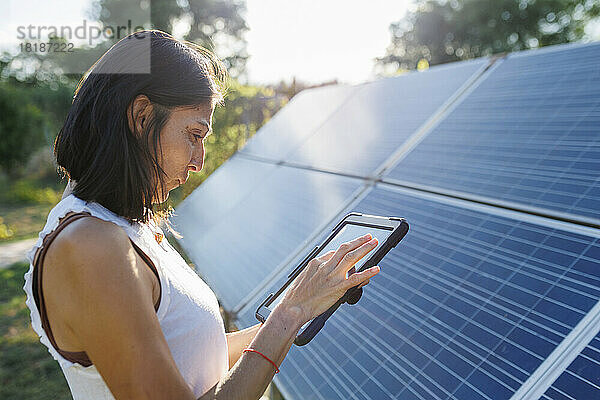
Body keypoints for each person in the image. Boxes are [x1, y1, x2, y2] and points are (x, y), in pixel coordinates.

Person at [23, 30, 381, 400]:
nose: (200, 161)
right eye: (194, 134)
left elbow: (193, 357)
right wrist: (288, 314)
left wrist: (303, 305)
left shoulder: (125, 225)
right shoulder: (90, 248)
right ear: (142, 116)